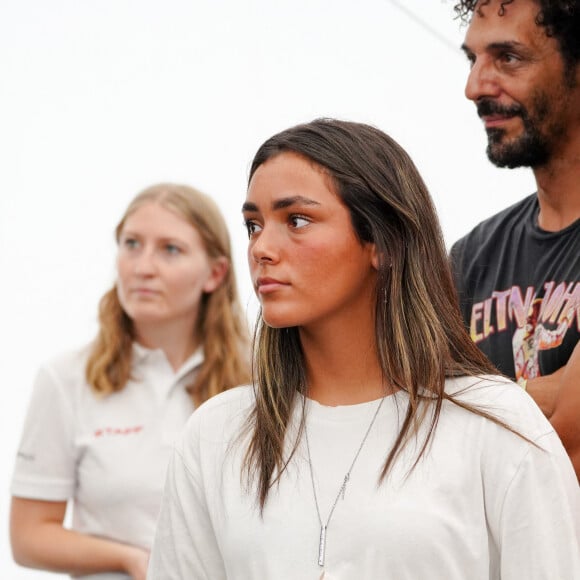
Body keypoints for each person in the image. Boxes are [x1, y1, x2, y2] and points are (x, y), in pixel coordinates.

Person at [146, 119, 580, 580]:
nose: (262, 249)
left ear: (381, 241)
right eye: (253, 225)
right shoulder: (217, 433)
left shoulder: (496, 423)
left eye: (296, 220)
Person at [10, 183, 251, 579]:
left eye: (170, 249)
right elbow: (29, 537)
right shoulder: (66, 378)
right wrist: (130, 559)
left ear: (215, 273)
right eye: (131, 244)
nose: (143, 267)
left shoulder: (257, 381)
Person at [449, 0, 580, 477]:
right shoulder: (470, 259)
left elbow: (565, 448)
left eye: (508, 58)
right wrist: (543, 393)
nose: (474, 87)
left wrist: (464, 400)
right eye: (473, 59)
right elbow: (413, 427)